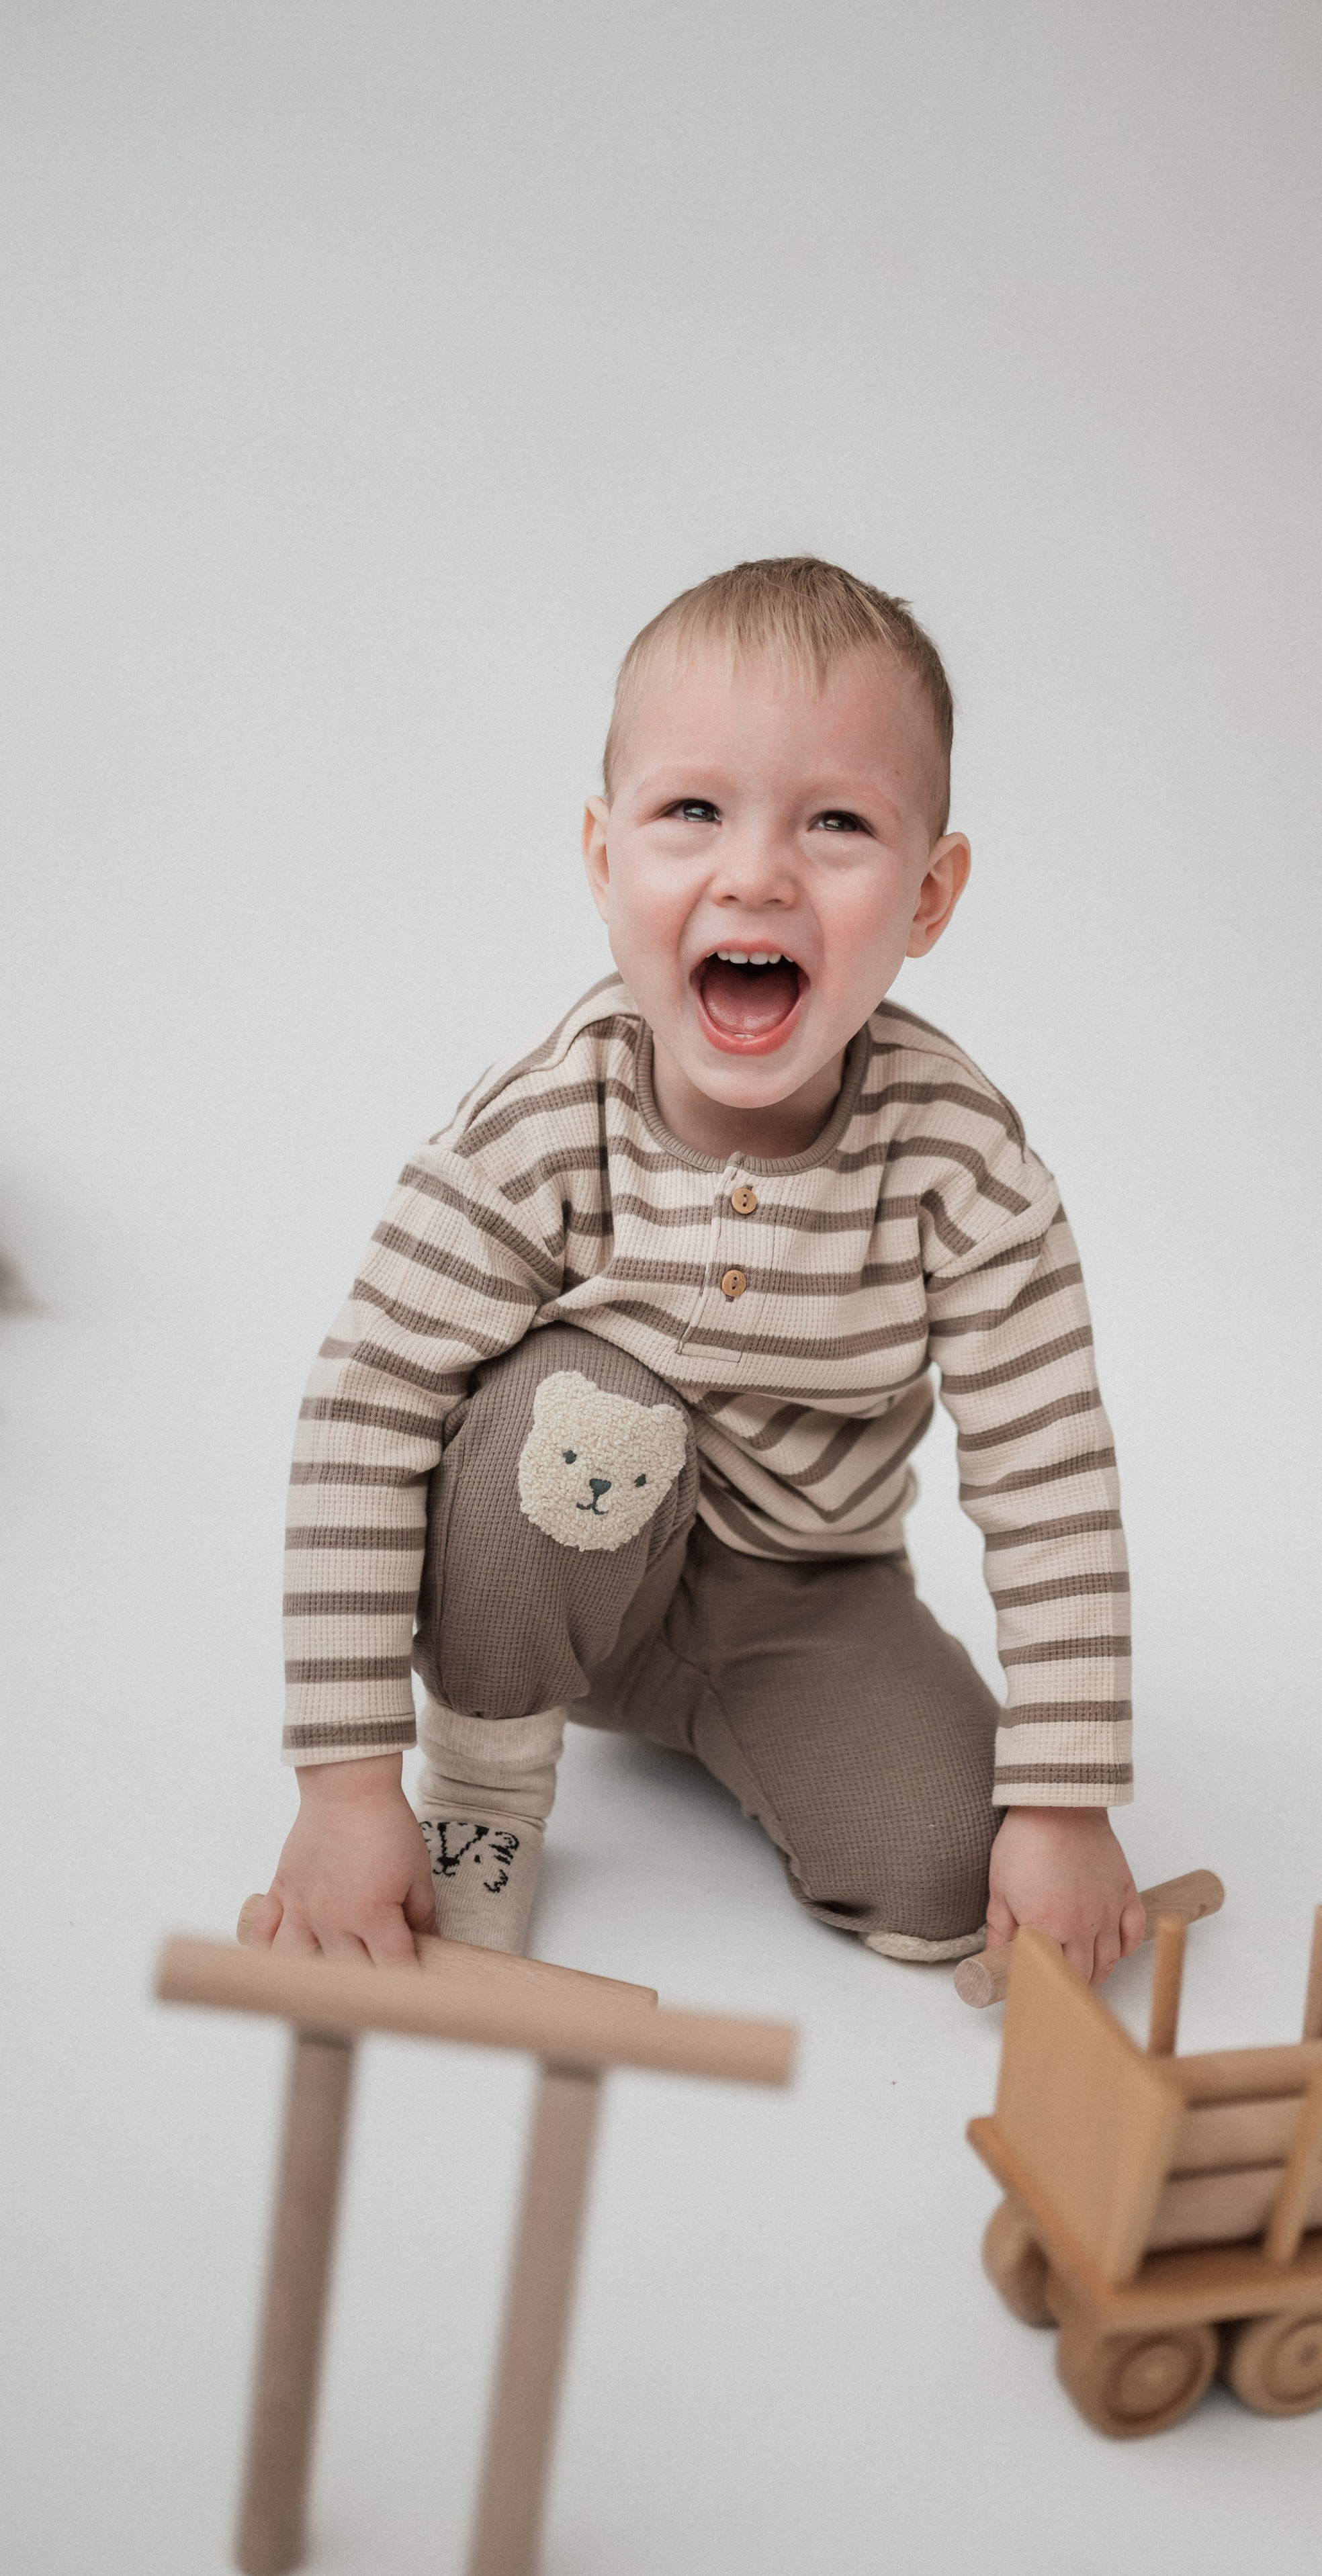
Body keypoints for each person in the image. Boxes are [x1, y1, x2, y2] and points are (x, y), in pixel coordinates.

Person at [253, 556, 1145, 1984]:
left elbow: (1049, 1476)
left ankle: (734, 1716)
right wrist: (346, 1786)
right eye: (692, 812)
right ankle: (486, 1784)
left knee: (944, 1880)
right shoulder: (549, 1117)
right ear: (607, 861)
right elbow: (368, 1407)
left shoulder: (960, 1163)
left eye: (837, 823)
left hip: (808, 1589)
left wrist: (1061, 1800)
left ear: (929, 893)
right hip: (554, 1545)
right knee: (587, 1401)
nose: (756, 872)